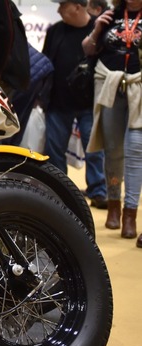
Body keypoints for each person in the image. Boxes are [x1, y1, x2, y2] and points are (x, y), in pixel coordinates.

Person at [84, 0, 142, 247]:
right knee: (113, 150)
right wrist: (97, 28)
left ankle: (131, 213)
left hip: (138, 87)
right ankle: (114, 208)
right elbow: (88, 49)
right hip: (109, 84)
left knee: (135, 150)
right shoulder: (111, 14)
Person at [43, 0, 108, 209]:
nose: (58, 9)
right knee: (54, 150)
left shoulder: (99, 29)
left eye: (63, 5)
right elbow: (45, 62)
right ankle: (61, 191)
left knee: (95, 150)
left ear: (77, 7)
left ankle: (98, 191)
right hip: (58, 101)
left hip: (90, 102)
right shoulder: (55, 31)